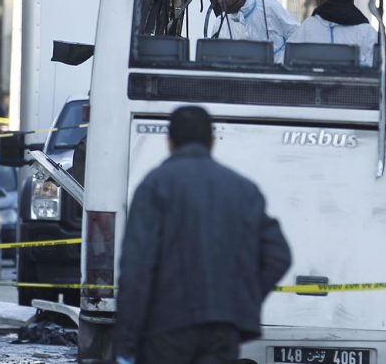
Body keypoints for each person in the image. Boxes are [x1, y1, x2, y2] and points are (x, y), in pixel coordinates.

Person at [114, 106, 291, 364]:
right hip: (222, 330)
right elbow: (278, 256)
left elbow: (136, 268)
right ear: (211, 141)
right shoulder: (244, 190)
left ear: (170, 142)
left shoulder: (155, 186)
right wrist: (240, 303)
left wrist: (126, 343)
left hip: (164, 331)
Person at [286, 0, 378, 66]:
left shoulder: (309, 26)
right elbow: (376, 63)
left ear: (322, 0)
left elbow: (288, 56)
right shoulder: (366, 30)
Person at [209, 0, 299, 62]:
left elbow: (297, 34)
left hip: (276, 73)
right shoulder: (220, 23)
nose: (221, 0)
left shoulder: (270, 7)